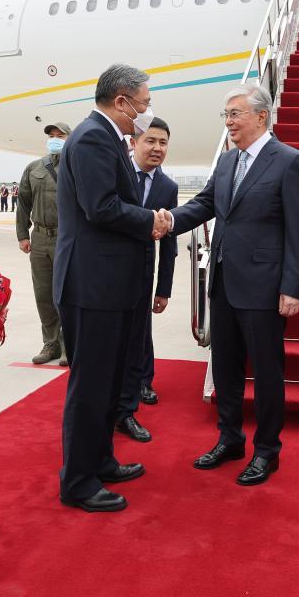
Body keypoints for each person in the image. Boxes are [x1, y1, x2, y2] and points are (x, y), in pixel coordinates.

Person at [164, 83, 299, 486]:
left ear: (261, 116)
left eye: (235, 114)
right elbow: (205, 204)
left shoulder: (290, 162)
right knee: (226, 369)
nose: (228, 122)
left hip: (264, 288)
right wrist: (169, 221)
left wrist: (293, 287)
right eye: (226, 115)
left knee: (266, 373)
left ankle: (267, 451)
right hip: (224, 282)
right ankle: (229, 439)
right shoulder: (228, 160)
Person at [53, 63, 170, 513]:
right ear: (121, 102)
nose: (146, 111)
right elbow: (100, 207)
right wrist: (150, 220)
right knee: (90, 386)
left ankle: (100, 460)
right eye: (143, 103)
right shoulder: (91, 138)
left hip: (108, 285)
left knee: (108, 381)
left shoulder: (106, 138)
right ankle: (78, 482)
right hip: (91, 286)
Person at [115, 118, 178, 442]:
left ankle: (135, 395)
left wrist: (163, 289)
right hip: (109, 274)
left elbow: (169, 244)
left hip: (142, 274)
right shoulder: (115, 174)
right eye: (150, 141)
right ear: (134, 143)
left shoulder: (168, 187)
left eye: (163, 143)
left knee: (139, 337)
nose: (157, 148)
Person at [16, 122, 71, 367]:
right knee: (43, 294)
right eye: (51, 135)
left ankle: (69, 344)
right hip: (39, 238)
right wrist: (22, 235)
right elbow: (23, 202)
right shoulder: (34, 168)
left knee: (66, 294)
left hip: (66, 238)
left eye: (60, 135)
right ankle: (51, 343)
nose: (55, 139)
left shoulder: (76, 166)